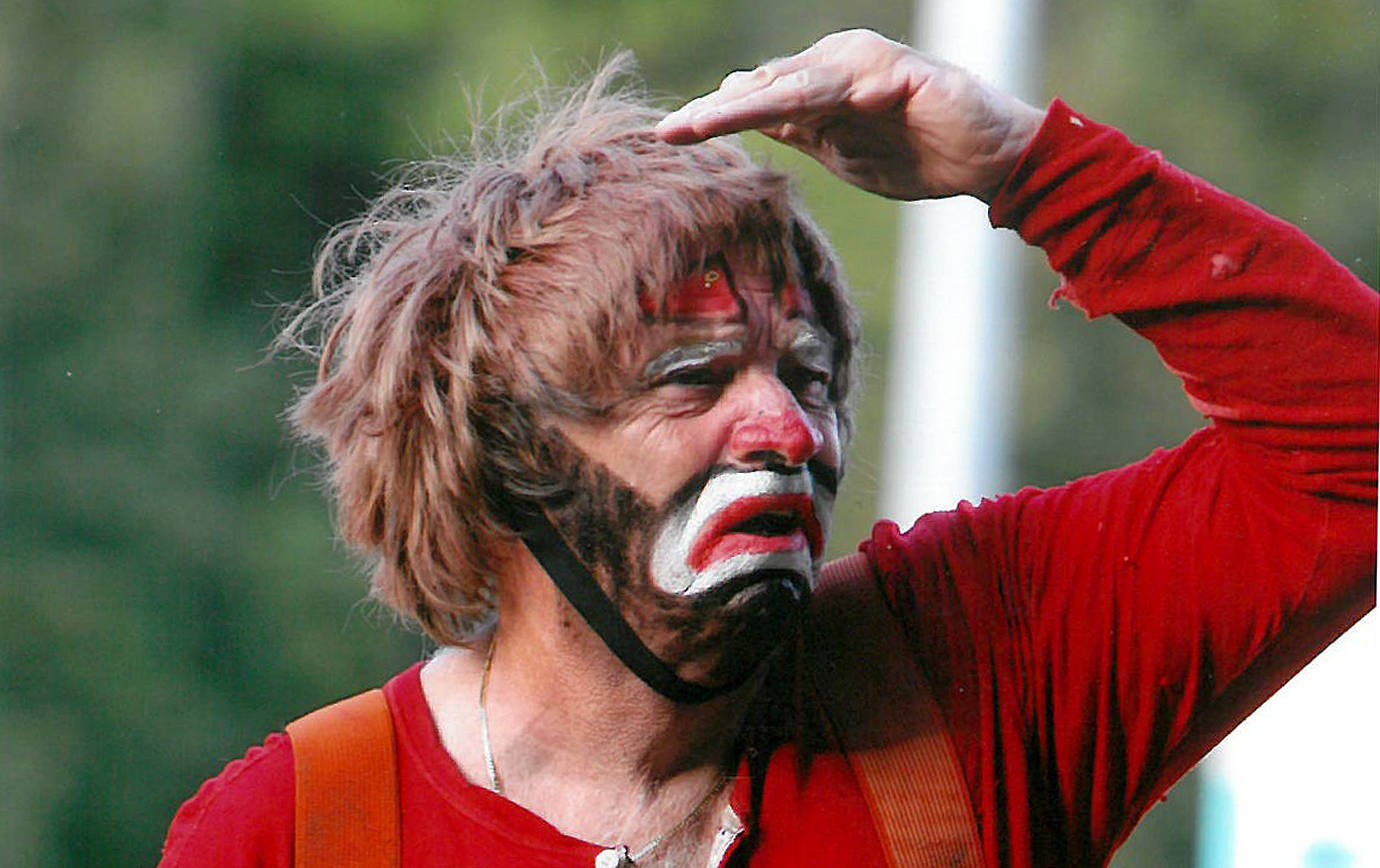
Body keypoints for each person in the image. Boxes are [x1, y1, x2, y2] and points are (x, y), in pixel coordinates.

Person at [160, 28, 1376, 868]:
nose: (789, 430)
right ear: (503, 451)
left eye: (808, 375)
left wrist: (1032, 168)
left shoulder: (981, 670)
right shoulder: (296, 831)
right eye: (692, 380)